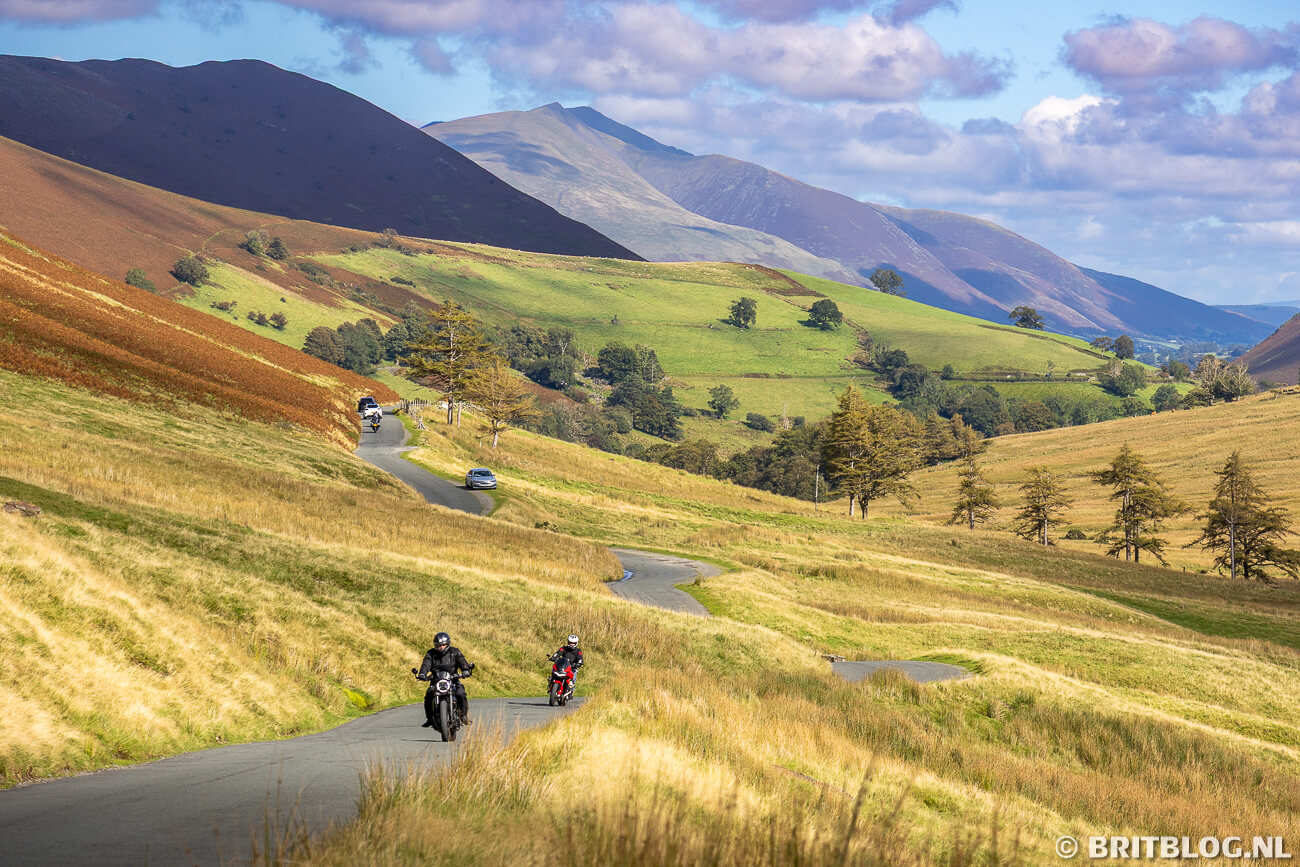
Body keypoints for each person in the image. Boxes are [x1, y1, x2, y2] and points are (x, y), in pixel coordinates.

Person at [418, 632, 474, 727]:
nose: (441, 647)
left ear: (447, 644)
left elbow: (462, 662)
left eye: (443, 645)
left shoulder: (455, 652)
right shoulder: (430, 654)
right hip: (436, 681)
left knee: (461, 693)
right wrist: (422, 674)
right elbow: (425, 665)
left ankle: (464, 715)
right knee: (429, 695)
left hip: (453, 680)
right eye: (438, 645)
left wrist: (465, 670)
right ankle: (430, 719)